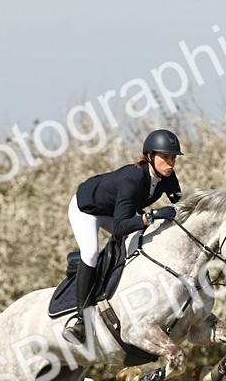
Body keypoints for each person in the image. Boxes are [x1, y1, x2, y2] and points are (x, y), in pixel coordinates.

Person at [62, 129, 184, 345]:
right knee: (90, 253)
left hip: (115, 211)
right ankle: (80, 320)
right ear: (149, 156)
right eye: (165, 157)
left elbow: (181, 205)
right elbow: (119, 227)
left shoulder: (167, 177)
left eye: (173, 157)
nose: (171, 163)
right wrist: (151, 215)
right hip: (87, 209)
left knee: (143, 238)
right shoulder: (133, 177)